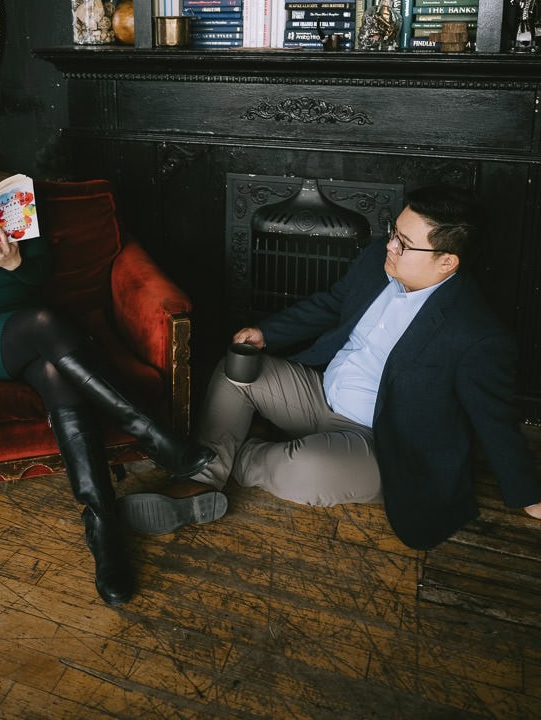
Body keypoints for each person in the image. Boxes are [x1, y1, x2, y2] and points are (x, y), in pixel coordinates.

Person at [0, 101, 214, 606]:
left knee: (57, 373)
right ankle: (153, 434)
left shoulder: (15, 192)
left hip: (29, 333)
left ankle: (105, 535)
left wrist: (13, 263)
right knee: (45, 323)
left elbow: (37, 275)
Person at [119, 185, 541, 550]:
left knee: (304, 470)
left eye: (405, 244)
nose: (390, 246)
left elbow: (495, 418)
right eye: (394, 232)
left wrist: (528, 495)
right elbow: (333, 303)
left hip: (382, 442)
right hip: (320, 392)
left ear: (447, 261)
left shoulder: (477, 334)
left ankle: (234, 456)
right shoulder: (381, 259)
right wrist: (267, 334)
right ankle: (202, 480)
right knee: (237, 367)